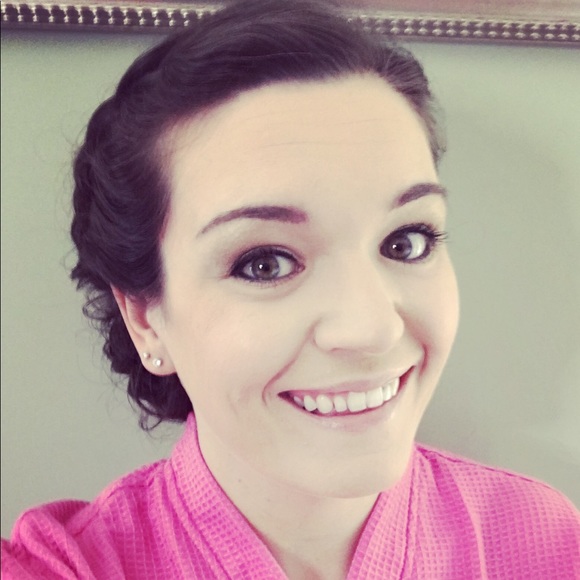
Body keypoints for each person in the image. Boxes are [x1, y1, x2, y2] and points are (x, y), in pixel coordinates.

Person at [2, 0, 579, 578]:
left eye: (406, 241)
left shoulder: (545, 543)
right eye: (265, 264)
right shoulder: (68, 566)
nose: (373, 329)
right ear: (146, 318)